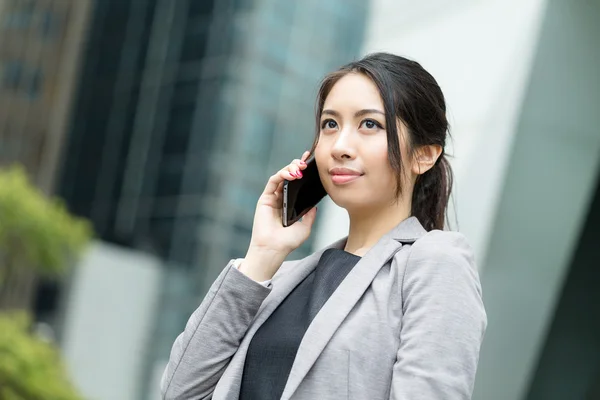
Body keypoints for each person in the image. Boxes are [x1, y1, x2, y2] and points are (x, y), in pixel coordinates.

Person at [160, 52, 487, 400]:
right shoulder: (284, 278)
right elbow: (180, 393)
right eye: (330, 125)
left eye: (369, 124)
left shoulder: (434, 263)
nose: (341, 146)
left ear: (424, 155)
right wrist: (262, 254)